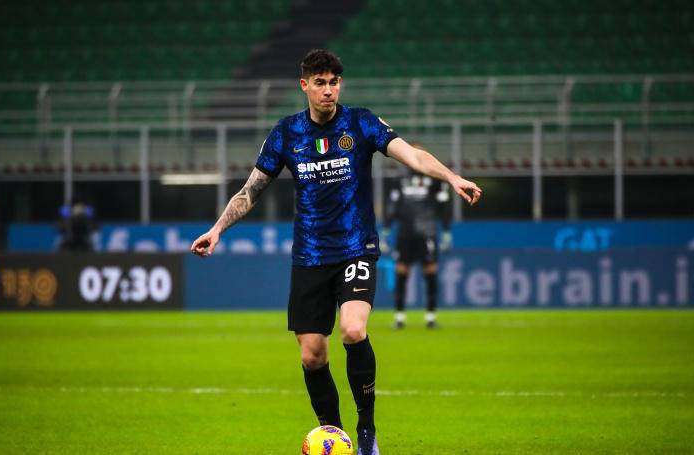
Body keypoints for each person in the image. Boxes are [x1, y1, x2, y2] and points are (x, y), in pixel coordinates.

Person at [190, 49, 482, 455]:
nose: (328, 90)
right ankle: (334, 434)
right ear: (305, 86)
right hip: (310, 256)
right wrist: (217, 229)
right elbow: (250, 190)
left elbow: (413, 155)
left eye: (334, 82)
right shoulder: (286, 132)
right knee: (312, 356)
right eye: (320, 83)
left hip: (355, 248)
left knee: (353, 330)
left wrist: (451, 177)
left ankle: (366, 430)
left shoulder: (360, 122)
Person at [381, 157, 452, 329]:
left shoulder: (435, 180)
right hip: (405, 233)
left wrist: (446, 232)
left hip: (427, 232)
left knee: (430, 272)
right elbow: (392, 207)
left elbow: (444, 206)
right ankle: (399, 317)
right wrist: (386, 231)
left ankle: (430, 317)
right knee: (402, 272)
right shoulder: (399, 180)